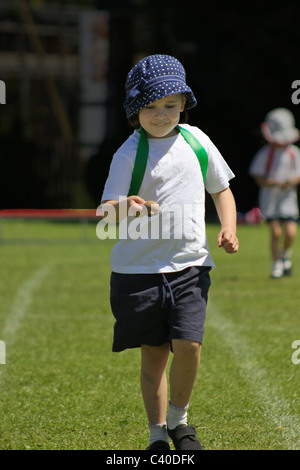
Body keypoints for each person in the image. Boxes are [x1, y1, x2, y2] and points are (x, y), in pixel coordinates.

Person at [100, 54, 239, 450]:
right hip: (138, 271)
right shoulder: (128, 154)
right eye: (150, 106)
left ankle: (180, 420)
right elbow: (107, 210)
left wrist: (228, 227)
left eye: (170, 105)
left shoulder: (198, 141)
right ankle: (157, 433)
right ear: (134, 108)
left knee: (189, 346)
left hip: (190, 265)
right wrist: (130, 205)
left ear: (183, 104)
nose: (161, 115)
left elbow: (221, 189)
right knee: (155, 356)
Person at [249, 108, 300, 278]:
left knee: (291, 232)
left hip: (288, 198)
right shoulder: (266, 153)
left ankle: (285, 254)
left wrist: (289, 182)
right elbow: (257, 174)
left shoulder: (294, 153)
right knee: (276, 232)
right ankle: (276, 263)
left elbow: (297, 175)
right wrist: (268, 183)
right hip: (270, 198)